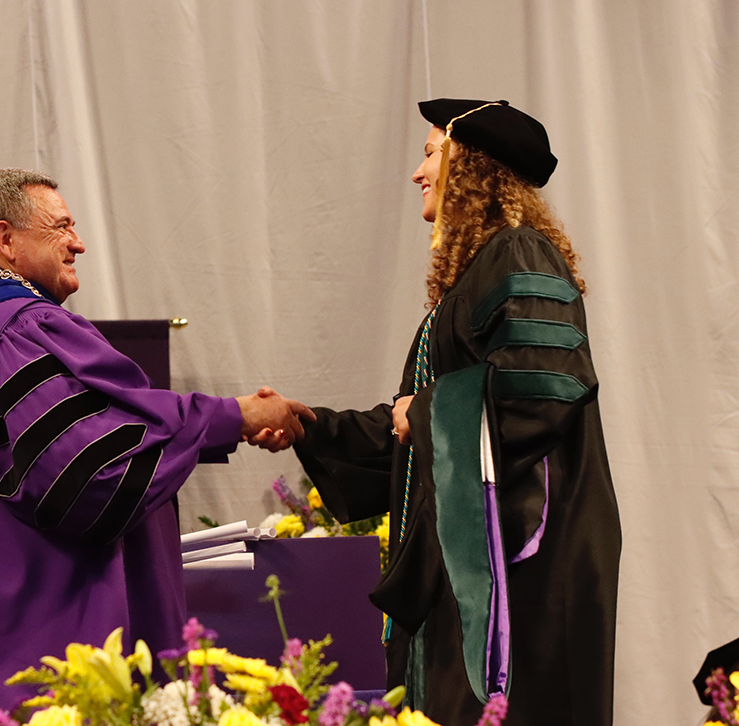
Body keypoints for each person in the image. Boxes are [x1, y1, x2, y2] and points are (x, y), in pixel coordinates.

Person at [0, 168, 313, 726]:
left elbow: (88, 428)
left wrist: (222, 425)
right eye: (61, 226)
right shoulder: (21, 326)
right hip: (41, 623)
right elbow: (88, 467)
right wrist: (235, 415)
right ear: (6, 240)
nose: (79, 241)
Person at [288, 99, 622, 725]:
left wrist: (432, 405)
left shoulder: (519, 252)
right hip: (473, 555)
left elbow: (543, 388)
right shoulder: (472, 280)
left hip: (523, 560)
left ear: (470, 166)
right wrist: (309, 426)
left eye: (429, 154)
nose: (418, 173)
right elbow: (418, 432)